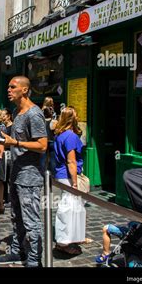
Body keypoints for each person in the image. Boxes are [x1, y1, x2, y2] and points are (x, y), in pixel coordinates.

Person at [0, 76, 47, 268]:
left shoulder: (34, 114)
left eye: (12, 87)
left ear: (24, 90)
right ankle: (18, 251)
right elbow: (14, 140)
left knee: (31, 220)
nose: (8, 90)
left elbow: (42, 145)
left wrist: (15, 142)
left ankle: (34, 261)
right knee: (16, 216)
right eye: (8, 86)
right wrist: (2, 141)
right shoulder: (17, 111)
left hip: (30, 176)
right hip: (16, 172)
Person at [53, 106, 87, 255]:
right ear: (72, 118)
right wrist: (74, 182)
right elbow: (71, 161)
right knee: (68, 208)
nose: (78, 118)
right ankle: (63, 242)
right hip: (67, 176)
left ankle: (71, 238)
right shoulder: (70, 136)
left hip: (61, 175)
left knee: (71, 207)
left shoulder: (59, 135)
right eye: (76, 115)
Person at [40, 106, 58, 173]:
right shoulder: (53, 121)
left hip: (43, 141)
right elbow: (55, 130)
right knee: (53, 159)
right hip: (52, 141)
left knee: (43, 159)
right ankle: (53, 174)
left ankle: (42, 174)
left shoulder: (41, 122)